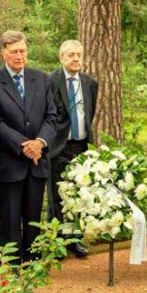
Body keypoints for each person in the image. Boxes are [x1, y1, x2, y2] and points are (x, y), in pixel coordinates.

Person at [0, 31, 57, 263]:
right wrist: (24, 146)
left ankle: (32, 264)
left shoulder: (41, 78)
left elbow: (52, 116)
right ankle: (11, 267)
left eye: (23, 51)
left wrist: (39, 143)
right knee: (10, 220)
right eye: (14, 52)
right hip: (9, 162)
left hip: (37, 162)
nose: (19, 56)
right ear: (3, 53)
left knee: (33, 220)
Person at [47, 40, 98, 258]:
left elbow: (89, 113)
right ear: (61, 58)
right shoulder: (50, 81)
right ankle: (57, 241)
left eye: (79, 55)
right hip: (57, 147)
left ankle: (75, 240)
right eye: (71, 55)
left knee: (78, 194)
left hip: (80, 147)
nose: (76, 59)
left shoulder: (90, 83)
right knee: (57, 196)